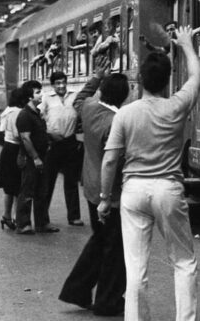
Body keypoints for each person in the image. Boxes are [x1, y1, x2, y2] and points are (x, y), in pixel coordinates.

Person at [98, 26, 200, 321]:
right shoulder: (176, 106)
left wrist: (106, 199)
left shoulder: (125, 114)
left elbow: (109, 161)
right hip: (167, 190)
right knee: (183, 262)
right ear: (168, 80)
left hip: (133, 192)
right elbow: (197, 77)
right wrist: (186, 45)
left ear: (140, 80)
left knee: (136, 269)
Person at [59, 68, 130, 316]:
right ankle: (107, 301)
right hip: (108, 194)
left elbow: (79, 97)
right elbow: (114, 163)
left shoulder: (89, 108)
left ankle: (76, 290)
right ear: (125, 95)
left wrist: (96, 76)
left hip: (89, 187)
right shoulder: (116, 122)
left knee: (100, 241)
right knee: (115, 248)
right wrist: (108, 198)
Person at [15, 80, 59, 235]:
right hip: (30, 159)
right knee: (28, 191)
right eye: (38, 92)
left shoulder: (36, 113)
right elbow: (26, 138)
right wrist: (35, 158)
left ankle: (42, 223)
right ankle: (23, 224)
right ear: (29, 97)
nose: (42, 94)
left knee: (42, 191)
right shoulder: (24, 115)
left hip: (42, 156)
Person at [40, 71, 83, 226]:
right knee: (48, 181)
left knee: (71, 180)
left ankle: (74, 216)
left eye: (63, 82)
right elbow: (39, 117)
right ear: (52, 85)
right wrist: (47, 133)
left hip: (70, 142)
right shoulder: (46, 98)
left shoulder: (74, 95)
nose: (61, 86)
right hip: (53, 143)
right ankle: (43, 217)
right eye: (57, 83)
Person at [0, 88, 25, 231]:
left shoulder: (8, 111)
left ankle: (8, 216)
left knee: (10, 188)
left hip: (7, 149)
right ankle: (13, 217)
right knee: (16, 187)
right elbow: (18, 134)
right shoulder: (16, 113)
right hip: (15, 150)